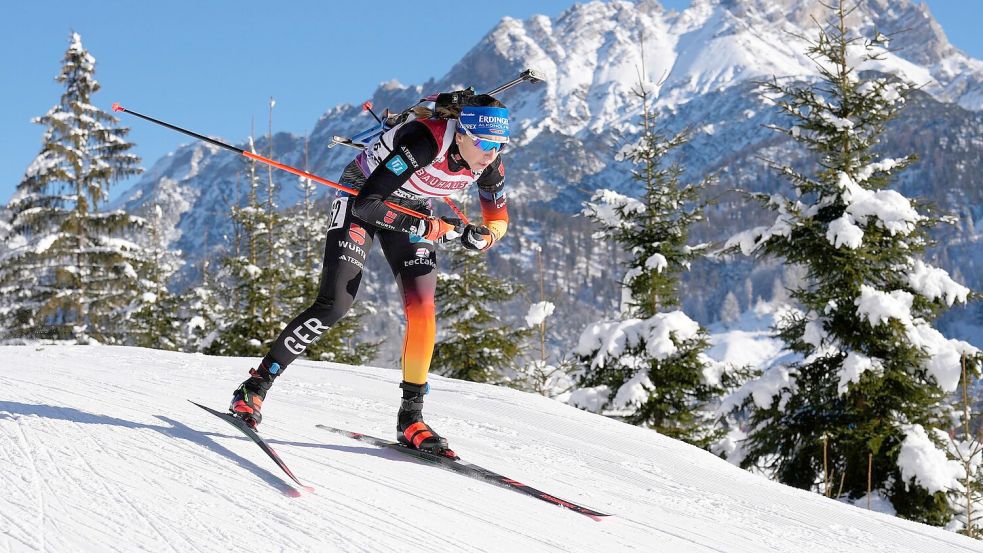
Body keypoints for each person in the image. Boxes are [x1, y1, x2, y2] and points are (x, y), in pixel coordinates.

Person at [228, 93, 511, 458]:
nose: (491, 154)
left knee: (423, 309)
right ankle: (254, 388)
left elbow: (498, 221)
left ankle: (411, 419)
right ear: (461, 134)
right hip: (361, 197)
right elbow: (367, 203)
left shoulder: (490, 165)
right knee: (336, 303)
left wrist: (485, 237)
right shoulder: (425, 141)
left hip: (411, 209)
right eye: (485, 143)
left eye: (500, 145)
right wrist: (429, 226)